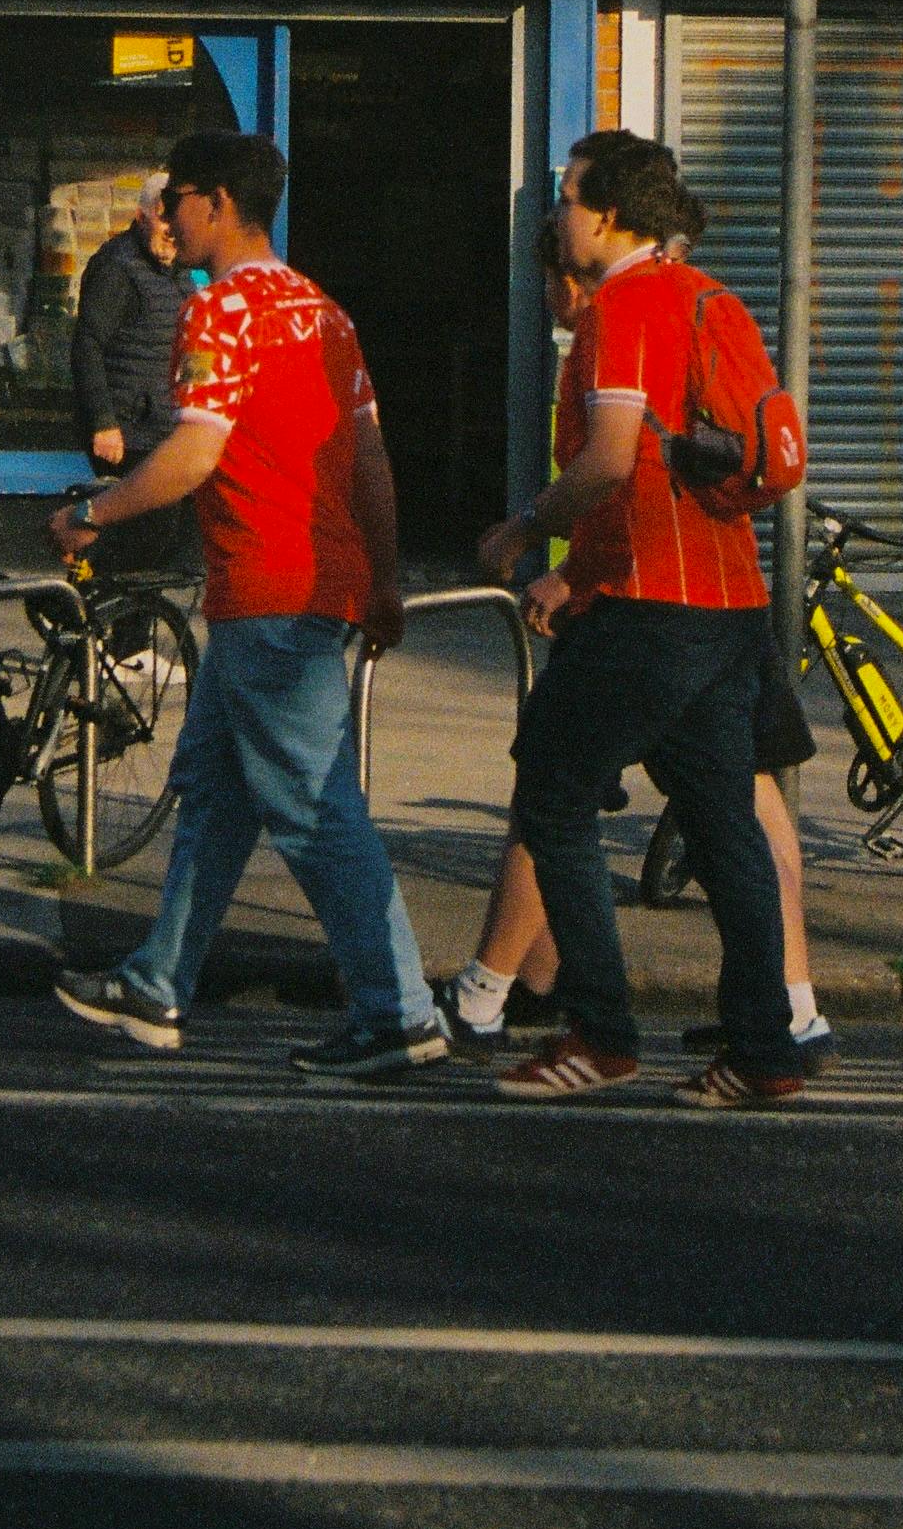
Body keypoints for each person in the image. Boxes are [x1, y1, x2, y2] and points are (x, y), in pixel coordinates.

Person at [47, 128, 445, 1082]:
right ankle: (157, 981)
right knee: (217, 795)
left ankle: (398, 1009)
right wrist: (383, 581)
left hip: (268, 591)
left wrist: (92, 512)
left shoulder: (219, 310)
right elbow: (373, 462)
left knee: (313, 810)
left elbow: (194, 453)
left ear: (216, 201)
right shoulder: (324, 312)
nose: (163, 214)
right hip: (314, 583)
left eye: (175, 196)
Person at [440, 170, 832, 1069]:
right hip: (730, 603)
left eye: (571, 196)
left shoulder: (626, 305)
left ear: (609, 216)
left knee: (551, 791)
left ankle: (598, 1030)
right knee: (725, 821)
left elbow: (613, 463)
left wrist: (524, 526)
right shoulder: (708, 295)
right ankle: (768, 1046)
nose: (557, 212)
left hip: (651, 605)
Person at [72, 173, 186, 480]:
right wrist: (103, 422)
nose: (171, 229)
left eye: (177, 219)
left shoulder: (183, 266)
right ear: (140, 216)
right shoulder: (117, 266)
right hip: (129, 437)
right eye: (163, 218)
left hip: (166, 433)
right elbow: (87, 344)